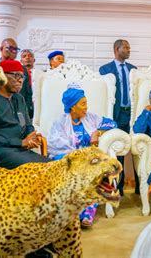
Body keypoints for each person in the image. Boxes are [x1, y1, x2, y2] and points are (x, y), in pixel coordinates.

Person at [47, 88, 117, 227]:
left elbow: (113, 123)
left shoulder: (91, 118)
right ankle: (70, 215)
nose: (87, 107)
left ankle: (86, 214)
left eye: (86, 103)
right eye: (83, 104)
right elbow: (55, 146)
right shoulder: (60, 123)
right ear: (73, 106)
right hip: (69, 159)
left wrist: (97, 132)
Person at [0, 60, 49, 169]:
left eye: (22, 76)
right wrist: (20, 142)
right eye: (16, 75)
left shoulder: (19, 99)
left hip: (19, 150)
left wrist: (31, 136)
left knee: (51, 165)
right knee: (38, 168)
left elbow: (27, 125)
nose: (20, 80)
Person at [99, 39, 137, 195]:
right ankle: (117, 188)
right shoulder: (105, 69)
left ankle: (139, 189)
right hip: (116, 114)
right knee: (117, 149)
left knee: (137, 147)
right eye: (126, 47)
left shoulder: (133, 69)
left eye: (129, 47)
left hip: (132, 114)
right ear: (116, 49)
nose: (129, 50)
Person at [0, 38, 34, 119]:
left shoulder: (23, 69)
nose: (13, 51)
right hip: (0, 110)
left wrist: (27, 111)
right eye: (10, 48)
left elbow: (28, 92)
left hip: (19, 110)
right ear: (1, 49)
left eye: (15, 49)